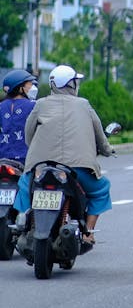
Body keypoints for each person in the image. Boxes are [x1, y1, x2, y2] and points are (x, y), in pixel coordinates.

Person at [13, 65, 115, 245]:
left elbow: (29, 134)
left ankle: (24, 221)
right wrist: (108, 150)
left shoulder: (40, 104)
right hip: (78, 169)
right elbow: (99, 135)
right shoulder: (84, 105)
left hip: (41, 167)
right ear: (71, 84)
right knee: (101, 189)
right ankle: (88, 233)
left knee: (24, 185)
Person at [0, 70, 38, 163]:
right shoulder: (34, 105)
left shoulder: (1, 106)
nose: (32, 87)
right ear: (20, 89)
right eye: (30, 84)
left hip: (2, 158)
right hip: (25, 159)